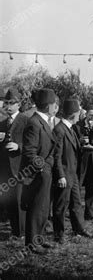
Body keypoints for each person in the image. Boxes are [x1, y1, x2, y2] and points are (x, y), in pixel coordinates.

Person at [19, 88, 58, 253]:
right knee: (36, 208)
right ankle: (32, 244)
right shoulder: (34, 123)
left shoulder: (42, 121)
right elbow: (29, 152)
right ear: (49, 106)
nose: (56, 107)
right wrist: (42, 168)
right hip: (36, 174)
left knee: (42, 208)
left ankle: (38, 239)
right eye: (54, 104)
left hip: (44, 172)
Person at [52, 99, 92, 244]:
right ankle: (59, 235)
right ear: (74, 114)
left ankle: (79, 228)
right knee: (61, 205)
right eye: (79, 113)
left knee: (76, 202)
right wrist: (60, 176)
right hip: (64, 174)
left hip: (72, 173)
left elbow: (70, 149)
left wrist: (82, 145)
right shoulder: (60, 130)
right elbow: (56, 156)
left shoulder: (69, 128)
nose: (80, 116)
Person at [0, 87, 28, 238]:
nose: (8, 106)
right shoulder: (2, 122)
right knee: (9, 201)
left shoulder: (25, 121)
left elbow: (32, 144)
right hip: (5, 168)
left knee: (19, 200)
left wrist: (19, 146)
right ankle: (14, 230)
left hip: (20, 167)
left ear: (19, 104)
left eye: (12, 103)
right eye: (6, 103)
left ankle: (21, 232)